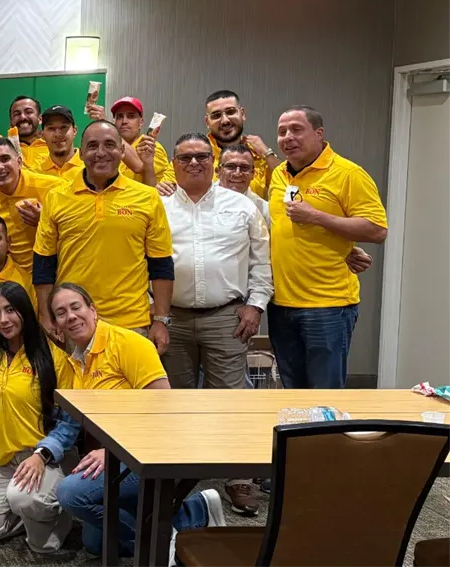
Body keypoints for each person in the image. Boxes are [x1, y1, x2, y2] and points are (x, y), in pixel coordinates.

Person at [49, 283, 225, 559]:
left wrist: (113, 452)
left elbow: (163, 411)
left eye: (76, 307)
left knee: (71, 494)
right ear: (57, 325)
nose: (70, 316)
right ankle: (193, 513)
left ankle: (161, 540)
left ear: (93, 311)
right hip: (117, 459)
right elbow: (70, 423)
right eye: (60, 313)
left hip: (155, 453)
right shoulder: (74, 363)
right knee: (98, 543)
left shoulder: (129, 344)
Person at [162, 134, 271, 517]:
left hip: (228, 315)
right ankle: (174, 475)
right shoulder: (158, 206)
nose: (194, 163)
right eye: (185, 157)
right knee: (174, 400)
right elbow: (146, 263)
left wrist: (255, 305)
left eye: (202, 156)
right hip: (172, 319)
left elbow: (262, 261)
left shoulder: (241, 206)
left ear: (213, 161)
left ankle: (237, 478)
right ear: (173, 163)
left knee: (230, 402)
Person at [268, 106, 387, 389]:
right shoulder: (280, 175)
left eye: (297, 129)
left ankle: (327, 436)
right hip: (281, 304)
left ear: (319, 134)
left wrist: (317, 217)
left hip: (327, 306)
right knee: (292, 392)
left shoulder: (348, 173)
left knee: (325, 392)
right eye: (282, 131)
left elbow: (377, 229)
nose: (288, 137)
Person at [33, 120, 174, 351]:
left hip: (131, 323)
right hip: (73, 322)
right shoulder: (56, 197)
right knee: (75, 388)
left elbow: (161, 265)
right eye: (92, 146)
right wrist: (47, 317)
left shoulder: (147, 197)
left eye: (109, 144)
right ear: (81, 152)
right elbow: (43, 264)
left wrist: (160, 319)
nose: (101, 153)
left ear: (121, 150)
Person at [0, 283, 73, 552]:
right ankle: (32, 511)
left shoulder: (54, 358)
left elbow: (70, 422)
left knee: (38, 534)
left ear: (25, 311)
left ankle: (56, 515)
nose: (3, 320)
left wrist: (43, 455)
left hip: (42, 456)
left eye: (11, 310)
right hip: (1, 457)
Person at [0, 138, 65, 272]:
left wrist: (44, 221)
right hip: (15, 282)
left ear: (19, 162)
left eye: (5, 159)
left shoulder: (54, 188)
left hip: (58, 272)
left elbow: (77, 231)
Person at [204, 89, 280, 198]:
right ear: (207, 122)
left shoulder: (259, 154)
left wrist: (267, 153)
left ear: (242, 114)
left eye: (230, 112)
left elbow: (289, 184)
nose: (225, 120)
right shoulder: (195, 155)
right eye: (216, 115)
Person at [86, 96, 171, 186]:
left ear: (141, 122)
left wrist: (107, 126)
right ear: (114, 122)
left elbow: (140, 168)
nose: (124, 121)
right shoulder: (108, 150)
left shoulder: (151, 147)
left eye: (130, 116)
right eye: (119, 116)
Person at [38, 105, 84, 179]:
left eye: (63, 127)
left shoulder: (89, 168)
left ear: (74, 131)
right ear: (42, 135)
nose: (58, 134)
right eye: (51, 128)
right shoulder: (36, 174)